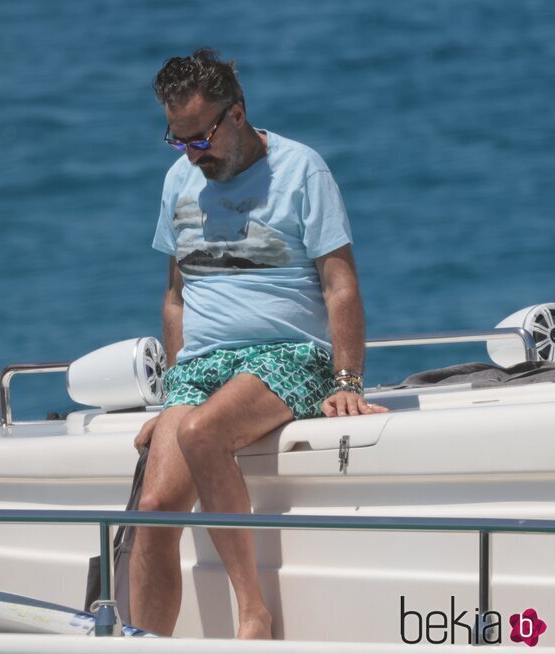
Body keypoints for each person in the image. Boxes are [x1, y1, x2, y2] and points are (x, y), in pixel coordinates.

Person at [129, 49, 387, 639]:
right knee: (155, 505)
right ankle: (145, 645)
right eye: (179, 139)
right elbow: (176, 295)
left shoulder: (302, 170)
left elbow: (340, 283)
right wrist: (169, 393)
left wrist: (349, 383)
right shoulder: (179, 181)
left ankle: (253, 612)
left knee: (202, 434)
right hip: (201, 367)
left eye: (202, 137)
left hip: (288, 354)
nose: (194, 152)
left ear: (238, 114)